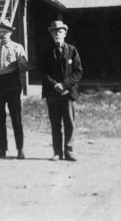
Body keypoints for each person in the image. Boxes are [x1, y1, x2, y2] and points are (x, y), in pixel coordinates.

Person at [0, 19, 29, 159]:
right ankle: (1, 149)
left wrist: (23, 89)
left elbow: (24, 69)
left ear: (10, 32)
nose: (2, 34)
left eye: (5, 31)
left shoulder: (18, 48)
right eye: (0, 31)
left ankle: (20, 149)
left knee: (16, 118)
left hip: (12, 83)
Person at [41, 20, 83, 161]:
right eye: (54, 31)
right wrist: (55, 85)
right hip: (53, 94)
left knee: (69, 123)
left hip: (68, 93)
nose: (57, 34)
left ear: (65, 33)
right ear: (51, 34)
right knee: (55, 124)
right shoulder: (47, 51)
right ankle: (57, 152)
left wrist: (64, 85)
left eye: (60, 31)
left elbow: (78, 72)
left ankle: (69, 151)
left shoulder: (72, 50)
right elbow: (43, 73)